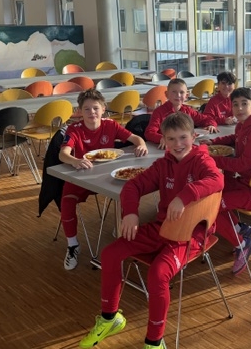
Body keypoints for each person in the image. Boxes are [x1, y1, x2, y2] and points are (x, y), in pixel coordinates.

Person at [78, 112, 223, 349]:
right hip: (162, 228)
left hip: (191, 235)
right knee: (110, 253)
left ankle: (154, 341)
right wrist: (131, 213)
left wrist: (184, 196)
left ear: (193, 137)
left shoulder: (201, 161)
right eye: (171, 139)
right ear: (163, 140)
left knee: (157, 273)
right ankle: (110, 318)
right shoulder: (163, 165)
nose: (178, 144)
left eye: (183, 137)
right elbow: (133, 186)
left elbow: (217, 180)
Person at [58, 89, 148, 271]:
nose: (92, 112)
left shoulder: (110, 125)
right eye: (87, 109)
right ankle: (72, 245)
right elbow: (63, 154)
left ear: (103, 109)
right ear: (80, 111)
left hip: (108, 176)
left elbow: (135, 138)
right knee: (66, 201)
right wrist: (75, 161)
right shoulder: (74, 129)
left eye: (95, 108)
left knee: (127, 192)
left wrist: (142, 145)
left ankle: (125, 234)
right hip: (83, 176)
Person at [200, 87, 251, 275]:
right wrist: (214, 141)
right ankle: (239, 228)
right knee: (215, 192)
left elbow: (244, 163)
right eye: (235, 104)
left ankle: (242, 244)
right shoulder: (243, 125)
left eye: (244, 103)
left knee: (212, 207)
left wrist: (214, 160)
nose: (239, 108)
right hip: (248, 181)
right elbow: (235, 138)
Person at [144, 77, 218, 148]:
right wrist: (162, 138)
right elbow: (149, 133)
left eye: (182, 92)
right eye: (174, 92)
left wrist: (211, 125)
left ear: (186, 96)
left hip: (185, 146)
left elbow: (207, 119)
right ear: (166, 94)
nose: (178, 95)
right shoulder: (159, 112)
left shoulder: (188, 111)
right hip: (167, 148)